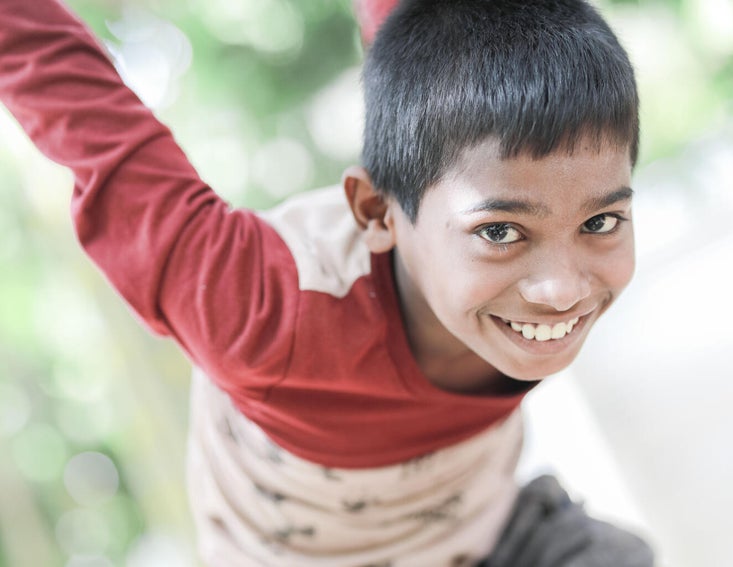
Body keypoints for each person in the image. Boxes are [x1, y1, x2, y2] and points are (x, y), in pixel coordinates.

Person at [0, 0, 655, 565]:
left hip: (488, 538)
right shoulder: (260, 310)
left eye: (601, 221)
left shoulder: (507, 230)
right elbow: (70, 94)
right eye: (501, 233)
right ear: (377, 211)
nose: (561, 289)